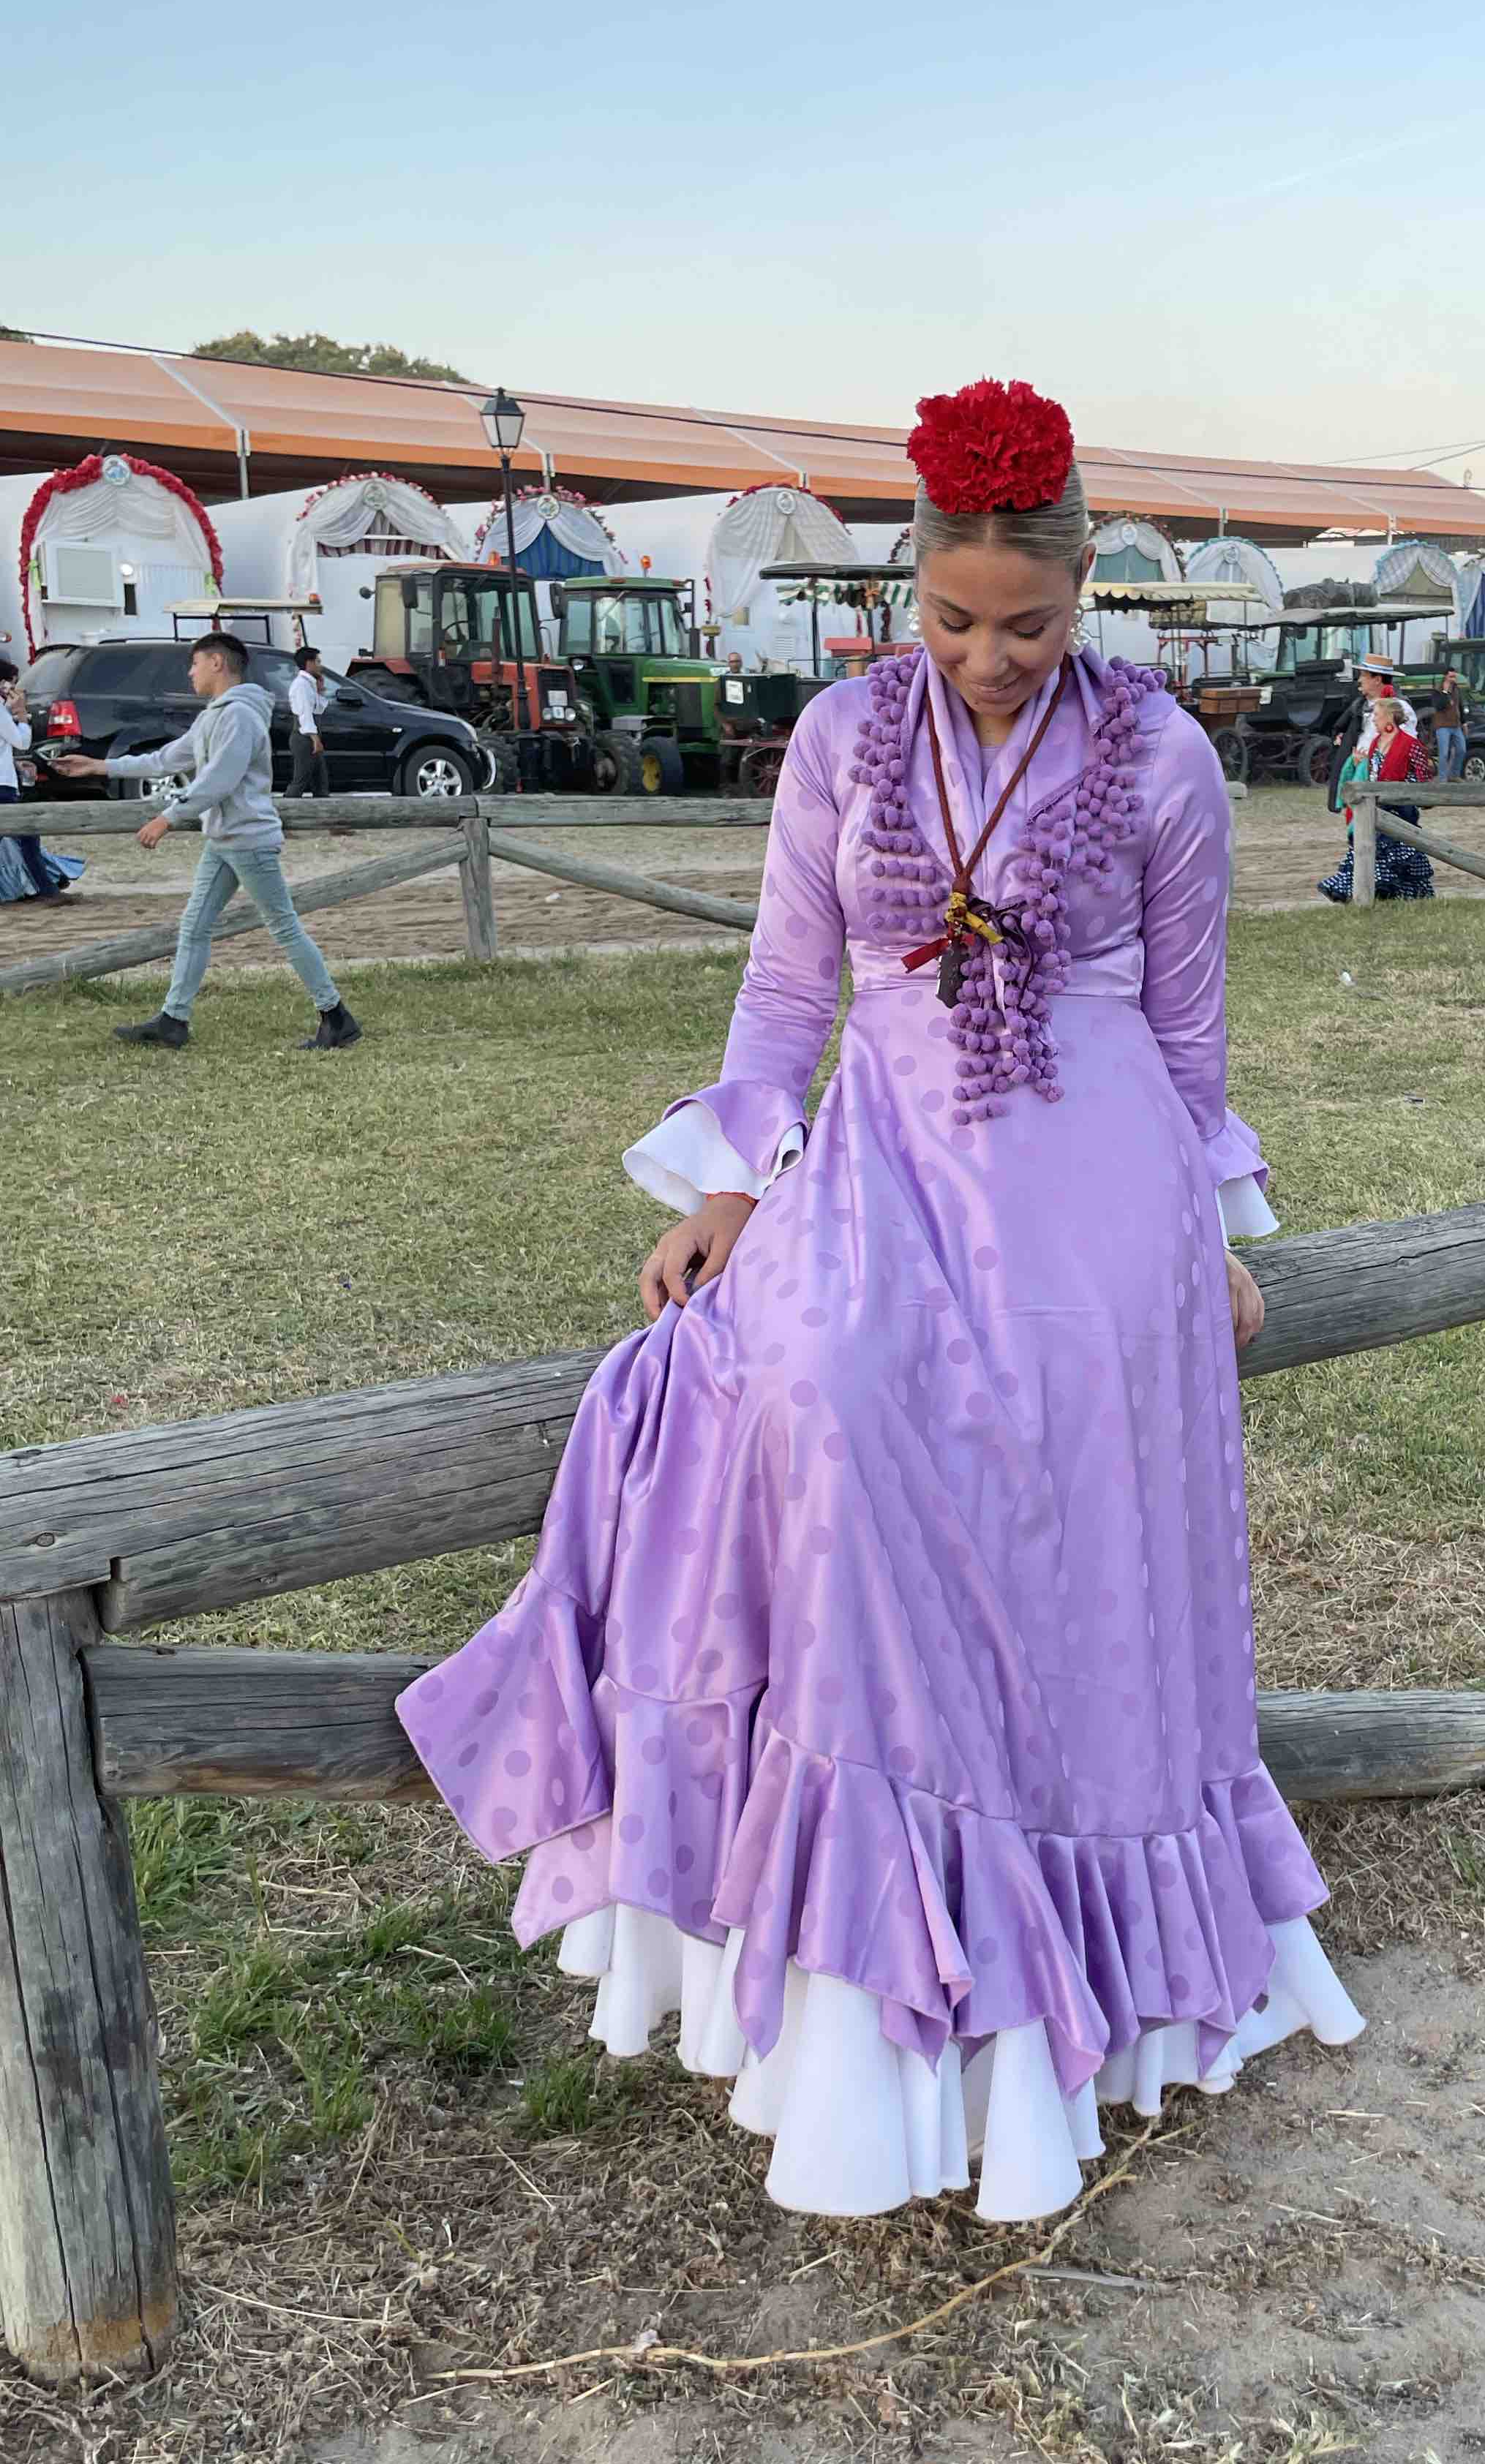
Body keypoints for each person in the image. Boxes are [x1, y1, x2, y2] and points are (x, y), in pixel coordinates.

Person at [396, 378, 1360, 2222]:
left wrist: (1214, 1231)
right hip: (890, 1150)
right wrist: (737, 1188)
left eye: (1031, 624)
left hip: (1104, 1174)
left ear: (1088, 591)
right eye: (955, 619)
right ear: (904, 590)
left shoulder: (1164, 761)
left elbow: (1187, 1024)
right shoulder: (841, 738)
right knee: (821, 1395)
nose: (992, 657)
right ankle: (872, 1969)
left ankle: (1086, 1965)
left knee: (1080, 1515)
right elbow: (783, 989)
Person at [53, 630, 364, 1052]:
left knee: (283, 926)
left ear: (217, 662)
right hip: (223, 840)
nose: (190, 672)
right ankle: (173, 1020)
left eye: (195, 664)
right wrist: (100, 766)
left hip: (248, 840)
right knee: (195, 928)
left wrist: (168, 817)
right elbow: (166, 758)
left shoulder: (239, 716)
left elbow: (219, 779)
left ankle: (336, 1016)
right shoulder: (215, 715)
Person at [1317, 658, 1434, 903]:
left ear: (1377, 679)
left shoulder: (1398, 709)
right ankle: (1371, 889)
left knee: (1391, 840)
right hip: (1364, 779)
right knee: (1364, 837)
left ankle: (1385, 890)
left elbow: (1405, 746)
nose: (1359, 680)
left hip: (1386, 783)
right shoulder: (1360, 706)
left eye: (1363, 676)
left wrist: (1374, 760)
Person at [0, 658, 86, 905]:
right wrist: (23, 716)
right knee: (28, 834)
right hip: (4, 787)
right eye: (12, 684)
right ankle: (47, 891)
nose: (15, 690)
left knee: (22, 836)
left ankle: (47, 889)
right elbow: (21, 742)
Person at [287, 646, 334, 801]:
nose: (320, 665)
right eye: (318, 661)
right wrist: (315, 739)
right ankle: (286, 812)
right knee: (300, 780)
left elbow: (318, 710)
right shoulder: (301, 685)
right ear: (309, 663)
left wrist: (320, 691)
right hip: (304, 738)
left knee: (320, 781)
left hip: (310, 737)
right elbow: (305, 715)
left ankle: (324, 817)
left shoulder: (309, 684)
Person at [1432, 664, 1467, 780]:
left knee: (1462, 749)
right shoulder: (1437, 690)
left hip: (1456, 724)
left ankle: (1454, 775)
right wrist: (1445, 693)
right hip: (1443, 726)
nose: (1453, 679)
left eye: (1454, 677)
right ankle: (1442, 778)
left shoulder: (1456, 689)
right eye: (1451, 677)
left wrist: (1464, 722)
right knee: (1444, 753)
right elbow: (1439, 706)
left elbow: (1460, 705)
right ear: (1445, 677)